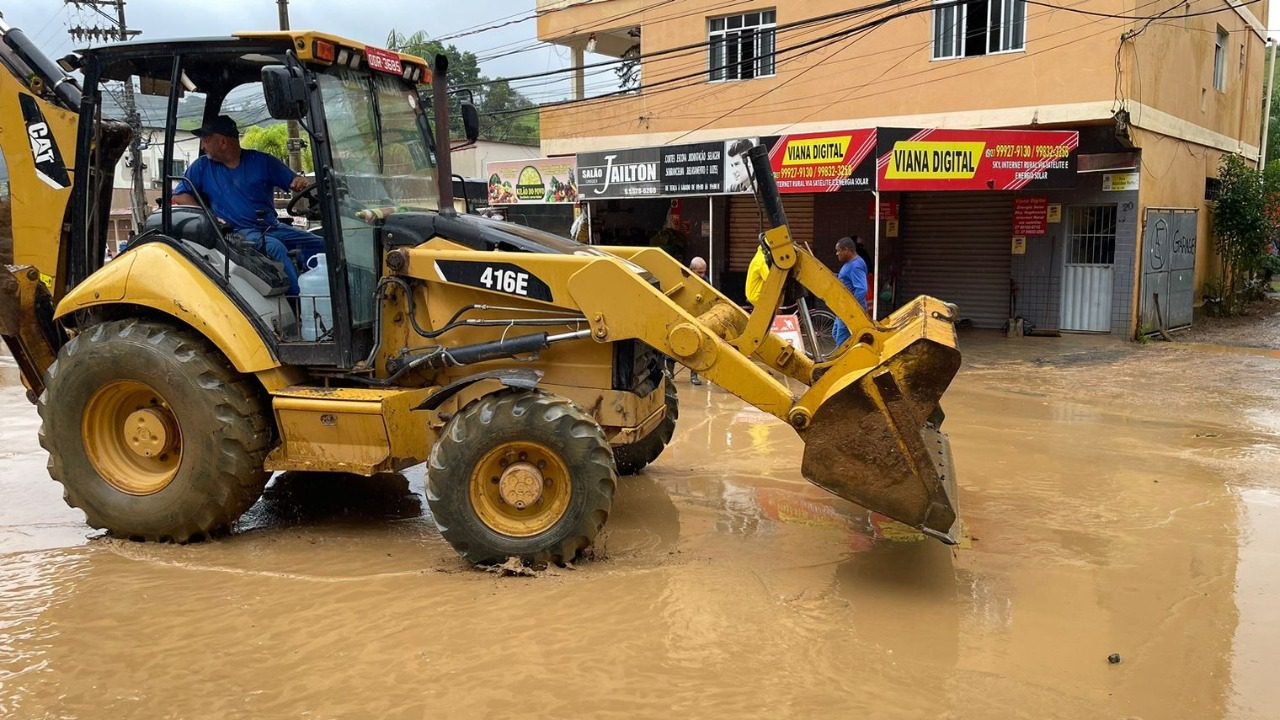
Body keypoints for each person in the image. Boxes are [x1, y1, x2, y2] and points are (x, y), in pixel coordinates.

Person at [172, 115, 317, 295]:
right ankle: (301, 304)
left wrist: (298, 181)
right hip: (236, 233)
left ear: (223, 141)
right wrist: (208, 216)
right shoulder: (202, 167)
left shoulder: (262, 162)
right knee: (275, 248)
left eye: (206, 140)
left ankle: (324, 288)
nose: (203, 146)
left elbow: (293, 180)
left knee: (320, 243)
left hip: (271, 226)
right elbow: (180, 194)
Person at [832, 236, 868, 348]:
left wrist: (852, 306)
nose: (837, 254)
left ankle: (844, 363)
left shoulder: (855, 266)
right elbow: (847, 280)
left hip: (850, 311)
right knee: (835, 333)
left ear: (846, 250)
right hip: (843, 310)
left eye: (838, 251)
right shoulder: (850, 263)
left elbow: (862, 289)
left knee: (842, 342)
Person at [687, 256, 708, 385]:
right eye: (699, 272)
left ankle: (694, 375)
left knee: (697, 347)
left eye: (704, 272)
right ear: (691, 270)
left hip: (698, 318)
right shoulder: (684, 279)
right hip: (683, 316)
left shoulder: (706, 282)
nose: (702, 275)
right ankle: (670, 372)